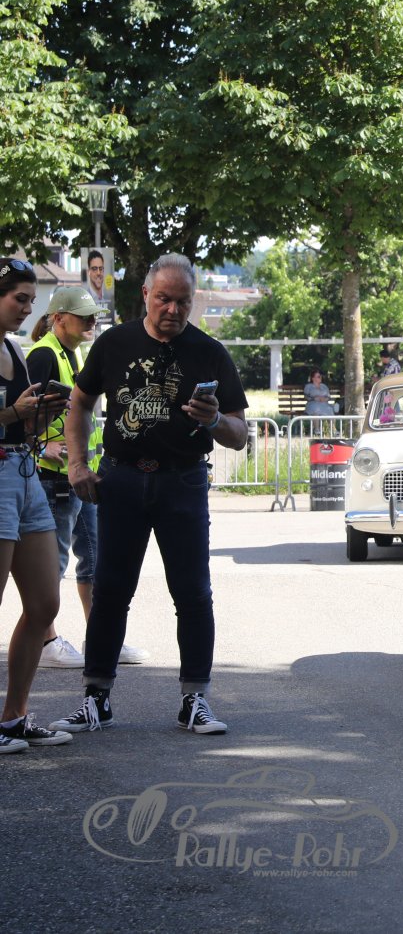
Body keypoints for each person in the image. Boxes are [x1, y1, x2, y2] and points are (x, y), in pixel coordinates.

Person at [49, 254, 249, 738]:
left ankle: (195, 700)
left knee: (193, 593)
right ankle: (96, 698)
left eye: (182, 301)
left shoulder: (210, 351)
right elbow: (80, 403)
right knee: (110, 590)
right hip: (120, 480)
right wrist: (77, 464)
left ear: (192, 301)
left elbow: (240, 434)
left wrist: (213, 420)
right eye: (163, 299)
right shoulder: (114, 343)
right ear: (145, 295)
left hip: (183, 481)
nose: (172, 310)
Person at [26, 286, 148, 670]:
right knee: (53, 564)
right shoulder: (44, 354)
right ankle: (47, 641)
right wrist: (40, 448)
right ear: (59, 318)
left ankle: (102, 637)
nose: (92, 321)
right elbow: (22, 412)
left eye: (93, 314)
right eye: (83, 315)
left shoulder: (72, 352)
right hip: (55, 480)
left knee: (95, 560)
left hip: (81, 477)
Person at [0, 259, 74, 752]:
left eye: (31, 300)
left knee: (45, 603)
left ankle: (14, 719)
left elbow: (23, 427)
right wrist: (14, 411)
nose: (29, 309)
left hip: (25, 473)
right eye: (19, 299)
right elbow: (10, 416)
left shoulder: (14, 349)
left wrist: (41, 416)